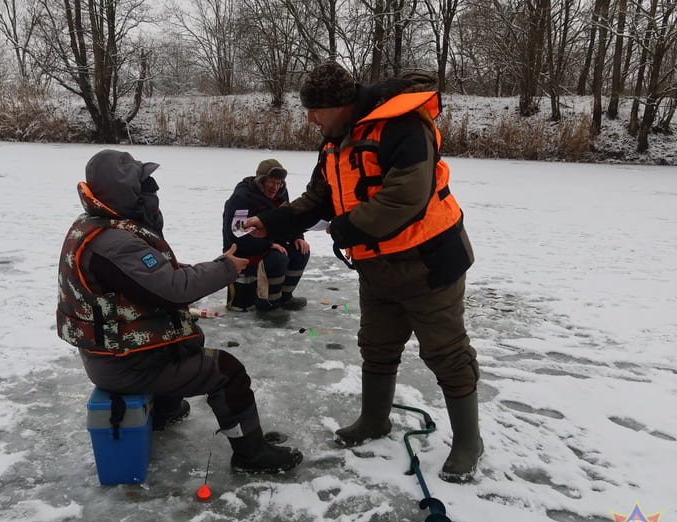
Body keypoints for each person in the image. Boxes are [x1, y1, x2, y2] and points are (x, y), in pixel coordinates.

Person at [244, 62, 482, 482]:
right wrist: (273, 222)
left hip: (429, 263)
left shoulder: (403, 127)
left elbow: (404, 198)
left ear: (342, 104)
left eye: (316, 110)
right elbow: (317, 199)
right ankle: (375, 421)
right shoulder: (335, 142)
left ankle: (468, 441)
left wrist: (343, 228)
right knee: (376, 344)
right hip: (378, 266)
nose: (310, 119)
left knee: (447, 354)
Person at [56, 149, 303, 474]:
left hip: (116, 355)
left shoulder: (100, 226)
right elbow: (173, 289)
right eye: (145, 187)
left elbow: (154, 279)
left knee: (187, 342)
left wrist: (217, 266)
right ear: (125, 192)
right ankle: (251, 455)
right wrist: (227, 268)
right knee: (226, 371)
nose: (152, 195)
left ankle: (164, 410)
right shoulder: (114, 242)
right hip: (125, 364)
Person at [222, 159, 310, 314]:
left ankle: (285, 297)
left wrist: (298, 236)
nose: (275, 187)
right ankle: (270, 304)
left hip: (272, 244)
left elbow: (288, 218)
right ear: (261, 180)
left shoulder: (281, 193)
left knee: (301, 251)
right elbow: (236, 236)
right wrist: (268, 245)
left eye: (279, 183)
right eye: (271, 182)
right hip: (245, 250)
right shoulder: (241, 198)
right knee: (278, 258)